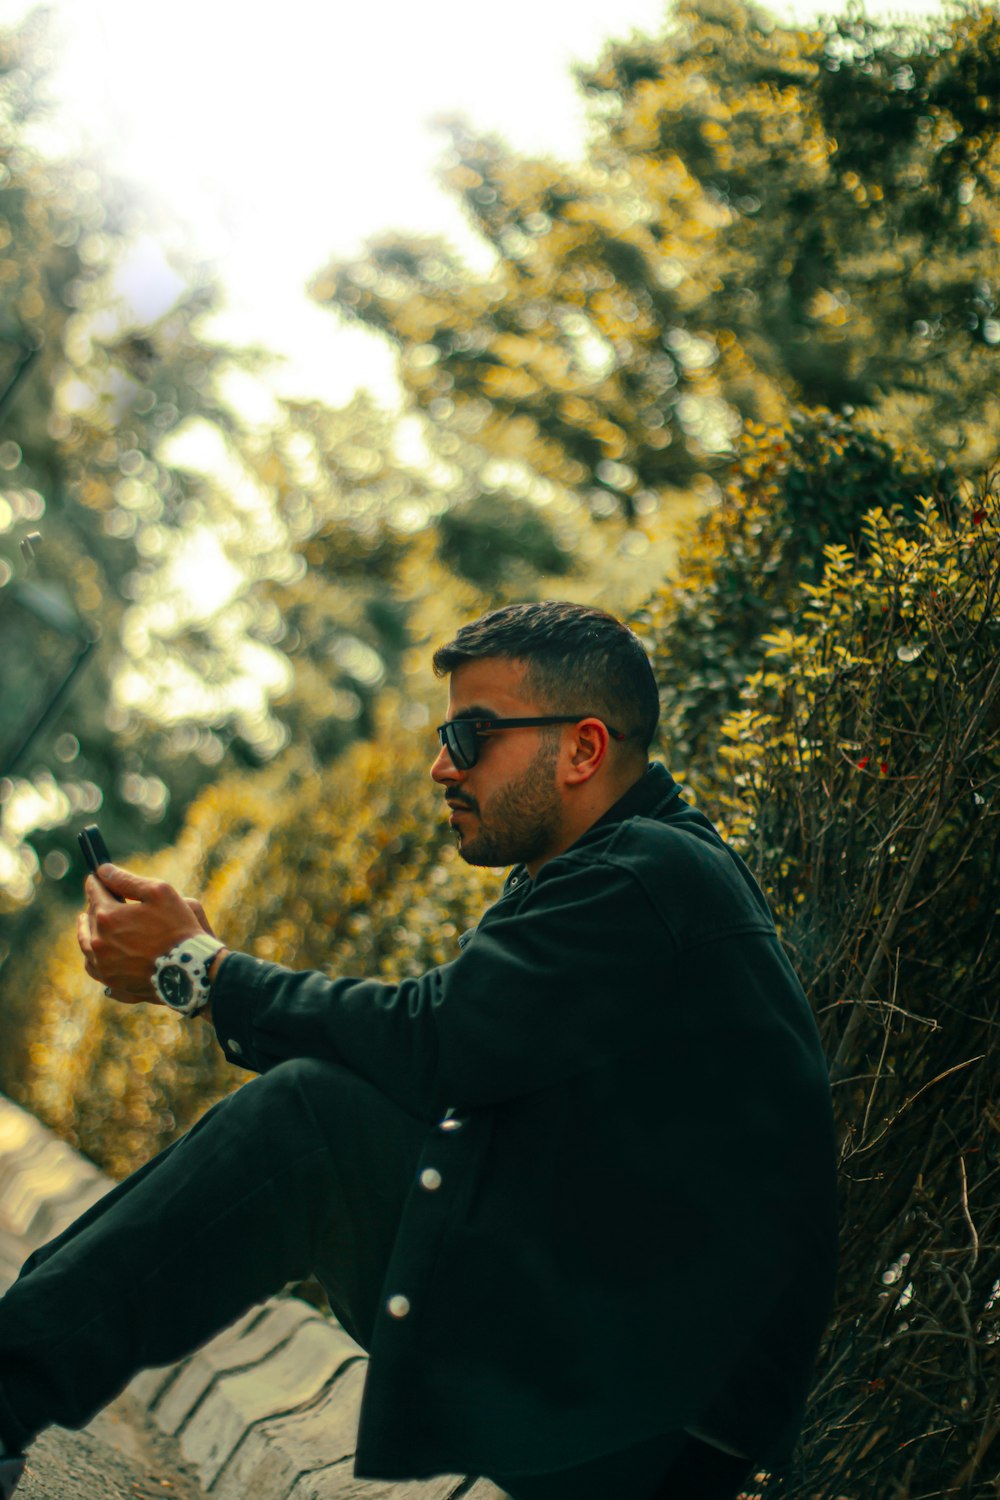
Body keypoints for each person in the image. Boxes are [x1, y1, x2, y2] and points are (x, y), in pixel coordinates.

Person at [0, 601, 838, 1500]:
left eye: (471, 735)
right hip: (624, 1377)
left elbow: (430, 1040)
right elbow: (441, 1060)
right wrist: (200, 974)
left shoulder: (647, 876)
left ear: (584, 750)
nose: (442, 764)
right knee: (326, 1110)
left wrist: (202, 971)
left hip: (647, 1422)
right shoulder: (618, 875)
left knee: (311, 1119)